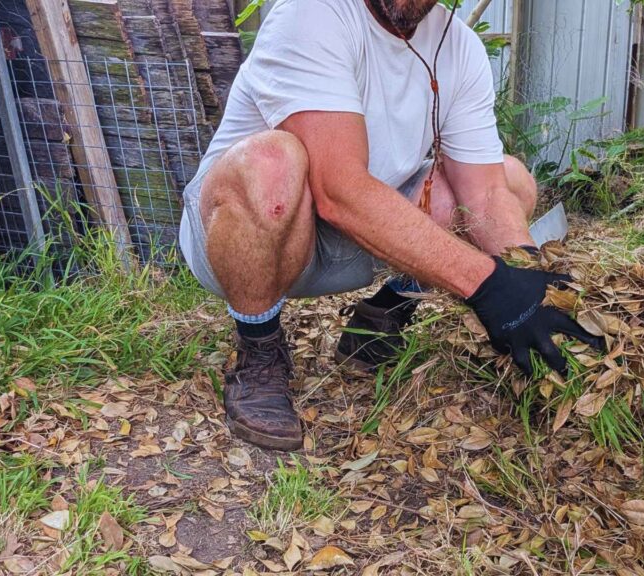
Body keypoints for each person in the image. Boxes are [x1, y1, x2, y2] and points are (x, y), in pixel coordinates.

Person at [179, 0, 603, 451]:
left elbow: (487, 194)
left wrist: (532, 285)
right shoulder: (312, 14)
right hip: (253, 236)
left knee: (510, 177)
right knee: (271, 162)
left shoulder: (458, 46)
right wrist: (487, 284)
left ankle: (383, 315)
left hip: (363, 237)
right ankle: (259, 348)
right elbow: (339, 190)